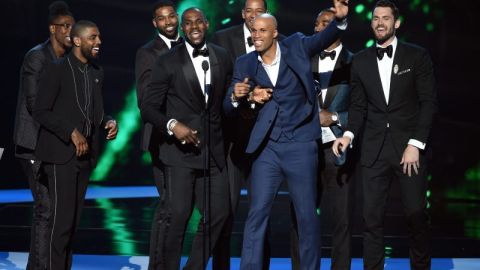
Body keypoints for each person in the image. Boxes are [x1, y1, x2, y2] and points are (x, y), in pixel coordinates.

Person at [223, 1, 349, 269]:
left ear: (274, 33)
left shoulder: (296, 46)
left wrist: (339, 19)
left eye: (261, 30)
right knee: (257, 215)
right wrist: (237, 96)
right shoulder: (245, 62)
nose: (255, 35)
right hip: (266, 148)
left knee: (306, 217)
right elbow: (228, 104)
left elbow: (323, 38)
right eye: (253, 31)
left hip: (301, 145)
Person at [332, 1, 437, 269]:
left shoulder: (417, 56)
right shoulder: (361, 60)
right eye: (376, 18)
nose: (380, 23)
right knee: (371, 219)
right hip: (374, 150)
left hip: (409, 148)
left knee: (416, 214)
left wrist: (415, 144)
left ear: (396, 23)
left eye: (386, 18)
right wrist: (348, 135)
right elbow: (357, 106)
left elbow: (428, 103)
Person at [140, 7, 232, 270]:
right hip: (178, 154)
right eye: (188, 23)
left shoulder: (222, 56)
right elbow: (148, 107)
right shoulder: (167, 61)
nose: (193, 27)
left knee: (219, 213)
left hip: (212, 152)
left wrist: (239, 98)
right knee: (178, 216)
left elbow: (224, 101)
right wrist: (172, 125)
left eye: (198, 22)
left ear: (207, 24)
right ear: (182, 28)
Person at [33, 20, 118, 270]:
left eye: (99, 37)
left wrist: (108, 121)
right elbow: (40, 111)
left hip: (85, 157)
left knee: (72, 225)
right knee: (60, 224)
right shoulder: (56, 69)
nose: (99, 42)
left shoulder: (96, 72)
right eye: (93, 37)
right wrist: (70, 131)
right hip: (60, 156)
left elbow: (95, 112)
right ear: (77, 40)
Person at [290, 8, 355, 270]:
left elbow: (364, 109)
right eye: (317, 24)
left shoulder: (355, 63)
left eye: (325, 23)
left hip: (338, 149)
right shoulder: (301, 61)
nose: (319, 29)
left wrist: (336, 118)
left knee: (342, 220)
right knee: (300, 218)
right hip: (305, 148)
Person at [12, 1, 74, 269]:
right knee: (45, 210)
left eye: (73, 26)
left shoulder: (69, 60)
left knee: (57, 213)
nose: (71, 31)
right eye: (66, 26)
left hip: (56, 146)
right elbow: (34, 103)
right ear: (53, 29)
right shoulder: (37, 57)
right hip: (34, 144)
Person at [134, 1, 183, 268]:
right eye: (162, 18)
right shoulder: (147, 53)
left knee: (182, 207)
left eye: (171, 16)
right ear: (155, 23)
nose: (168, 21)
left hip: (191, 139)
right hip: (162, 137)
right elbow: (146, 100)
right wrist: (175, 122)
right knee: (167, 205)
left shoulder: (192, 46)